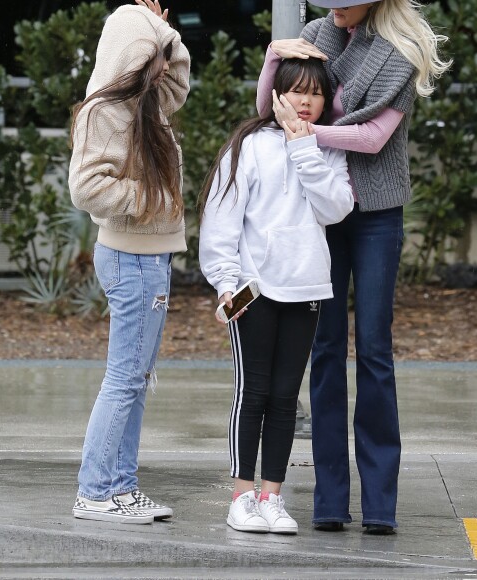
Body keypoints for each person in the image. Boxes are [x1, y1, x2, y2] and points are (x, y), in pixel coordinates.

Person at [256, 0, 451, 534]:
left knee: (373, 350)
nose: (335, 9)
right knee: (322, 349)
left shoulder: (401, 52)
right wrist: (274, 57)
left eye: (346, 2)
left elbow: (371, 138)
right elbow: (272, 109)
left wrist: (305, 134)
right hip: (321, 206)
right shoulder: (318, 34)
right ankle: (329, 501)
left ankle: (381, 505)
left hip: (376, 213)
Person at [199, 57, 354, 534]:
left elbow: (336, 208)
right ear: (276, 96)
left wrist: (304, 148)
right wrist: (226, 283)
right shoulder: (248, 145)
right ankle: (241, 496)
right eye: (296, 92)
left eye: (316, 94)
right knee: (254, 392)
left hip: (306, 288)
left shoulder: (328, 148)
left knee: (286, 398)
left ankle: (272, 496)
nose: (306, 102)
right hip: (254, 291)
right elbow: (221, 220)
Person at [68, 2, 190, 524]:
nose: (163, 65)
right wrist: (155, 200)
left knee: (135, 378)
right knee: (124, 379)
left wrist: (165, 31)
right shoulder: (105, 110)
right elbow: (86, 187)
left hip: (148, 258)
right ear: (129, 57)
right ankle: (96, 490)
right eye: (152, 55)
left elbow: (180, 80)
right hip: (132, 258)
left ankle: (120, 487)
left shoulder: (145, 101)